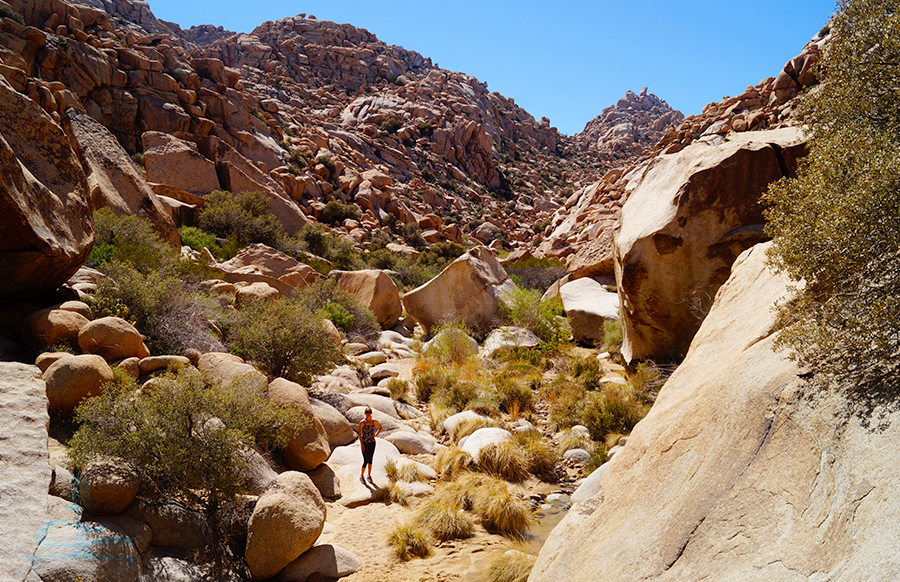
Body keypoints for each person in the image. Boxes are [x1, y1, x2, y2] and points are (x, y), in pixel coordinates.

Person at [359, 408, 382, 481]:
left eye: (369, 412)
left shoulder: (374, 421)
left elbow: (380, 427)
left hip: (372, 442)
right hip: (365, 442)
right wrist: (362, 444)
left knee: (370, 460)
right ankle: (361, 476)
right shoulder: (362, 422)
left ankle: (369, 475)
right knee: (365, 460)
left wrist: (376, 434)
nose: (368, 414)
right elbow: (360, 434)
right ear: (365, 413)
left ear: (371, 413)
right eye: (367, 412)